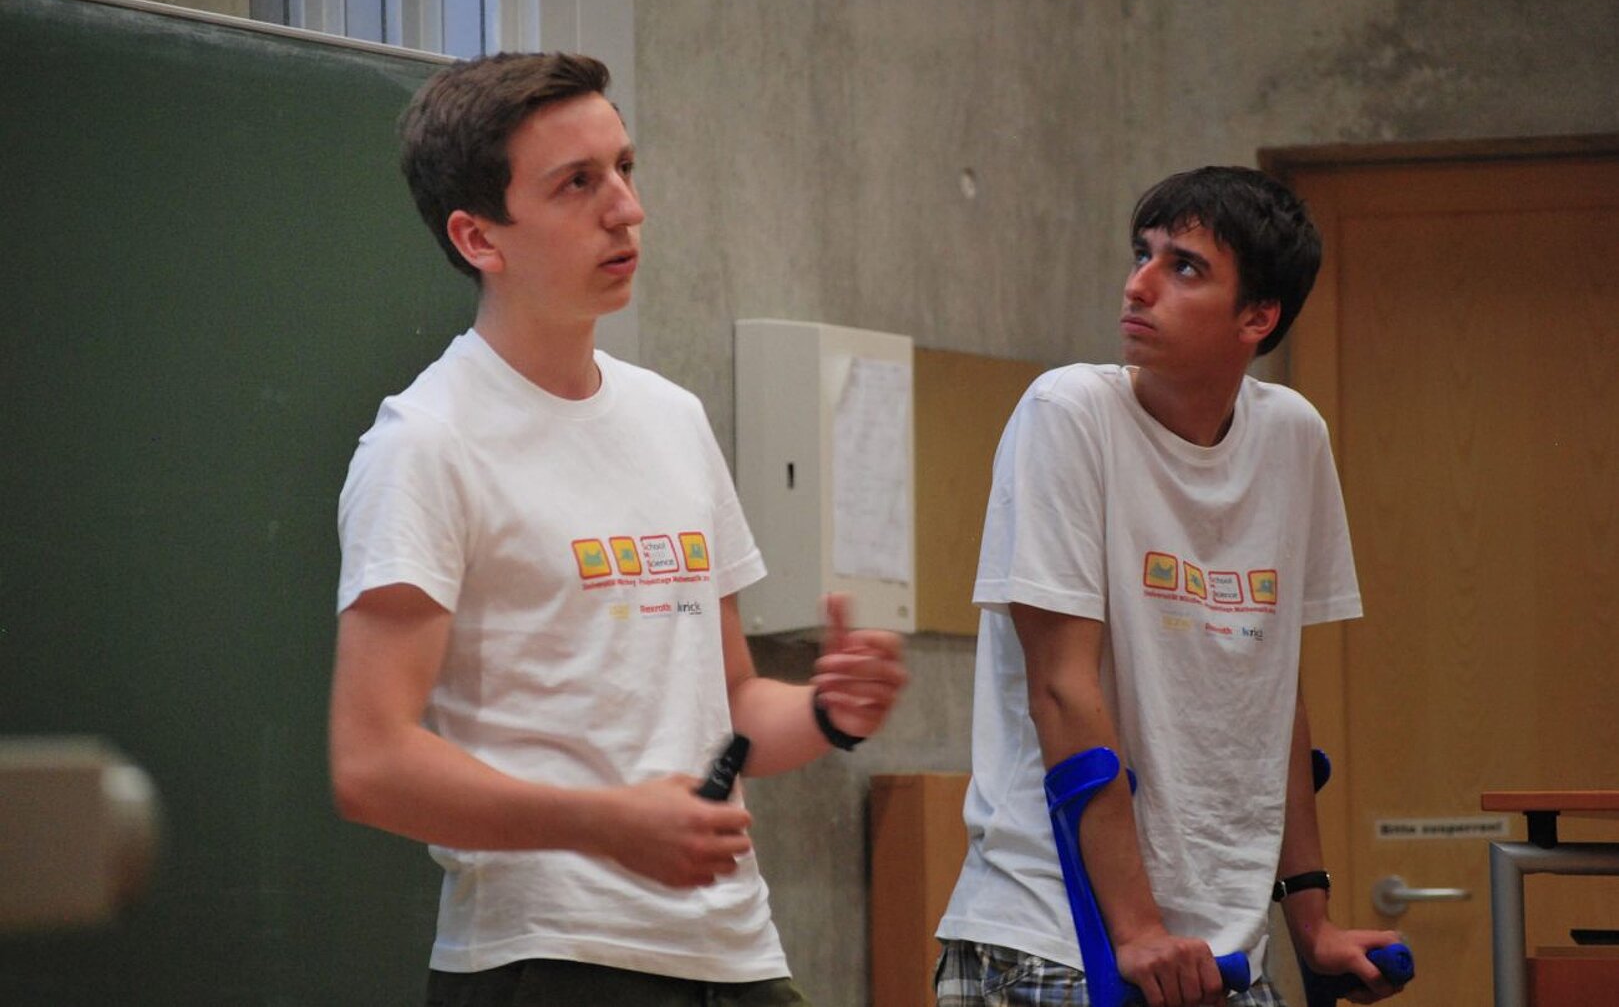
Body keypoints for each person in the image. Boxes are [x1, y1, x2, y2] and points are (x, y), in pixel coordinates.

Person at [329, 51, 907, 1007]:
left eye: (625, 169)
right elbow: (371, 764)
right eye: (577, 183)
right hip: (549, 959)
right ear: (478, 236)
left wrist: (824, 713)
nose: (627, 209)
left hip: (736, 956)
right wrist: (603, 823)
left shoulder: (671, 418)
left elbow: (730, 706)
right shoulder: (425, 444)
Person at [934, 167, 1404, 1007]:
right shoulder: (1068, 412)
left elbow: (1273, 703)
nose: (1138, 284)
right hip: (1060, 935)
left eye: (1182, 267)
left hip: (1221, 950)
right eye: (1140, 254)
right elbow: (1059, 687)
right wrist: (1136, 929)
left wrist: (1312, 923)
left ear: (1257, 317)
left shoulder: (1291, 437)